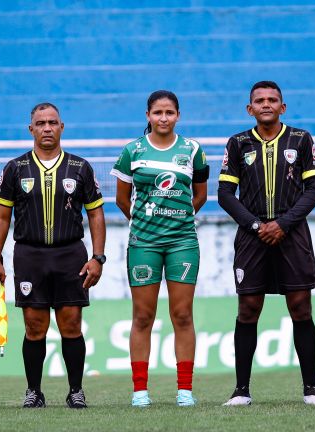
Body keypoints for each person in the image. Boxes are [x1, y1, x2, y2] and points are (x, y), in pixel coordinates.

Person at [0, 102, 106, 409]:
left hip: (70, 254)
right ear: (31, 129)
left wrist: (98, 257)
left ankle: (76, 390)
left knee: (71, 324)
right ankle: (33, 391)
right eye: (40, 123)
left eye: (52, 122)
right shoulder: (15, 168)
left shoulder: (80, 167)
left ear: (62, 127)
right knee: (34, 325)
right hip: (30, 255)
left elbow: (96, 215)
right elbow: (1, 218)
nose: (47, 128)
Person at [218, 80, 315, 406]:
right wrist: (256, 225)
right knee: (248, 308)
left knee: (300, 306)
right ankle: (241, 390)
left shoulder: (301, 139)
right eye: (260, 101)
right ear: (250, 109)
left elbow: (314, 190)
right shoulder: (237, 143)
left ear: (283, 107)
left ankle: (311, 389)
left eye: (273, 100)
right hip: (252, 236)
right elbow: (224, 194)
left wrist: (283, 223)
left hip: (292, 233)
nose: (266, 104)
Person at [110, 90, 209, 407]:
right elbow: (122, 200)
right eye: (157, 113)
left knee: (182, 315)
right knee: (142, 316)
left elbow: (201, 195)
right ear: (148, 116)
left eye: (169, 112)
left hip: (182, 242)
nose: (163, 118)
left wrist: (176, 218)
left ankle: (185, 391)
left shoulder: (192, 150)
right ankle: (140, 392)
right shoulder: (132, 151)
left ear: (178, 115)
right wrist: (146, 223)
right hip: (144, 243)